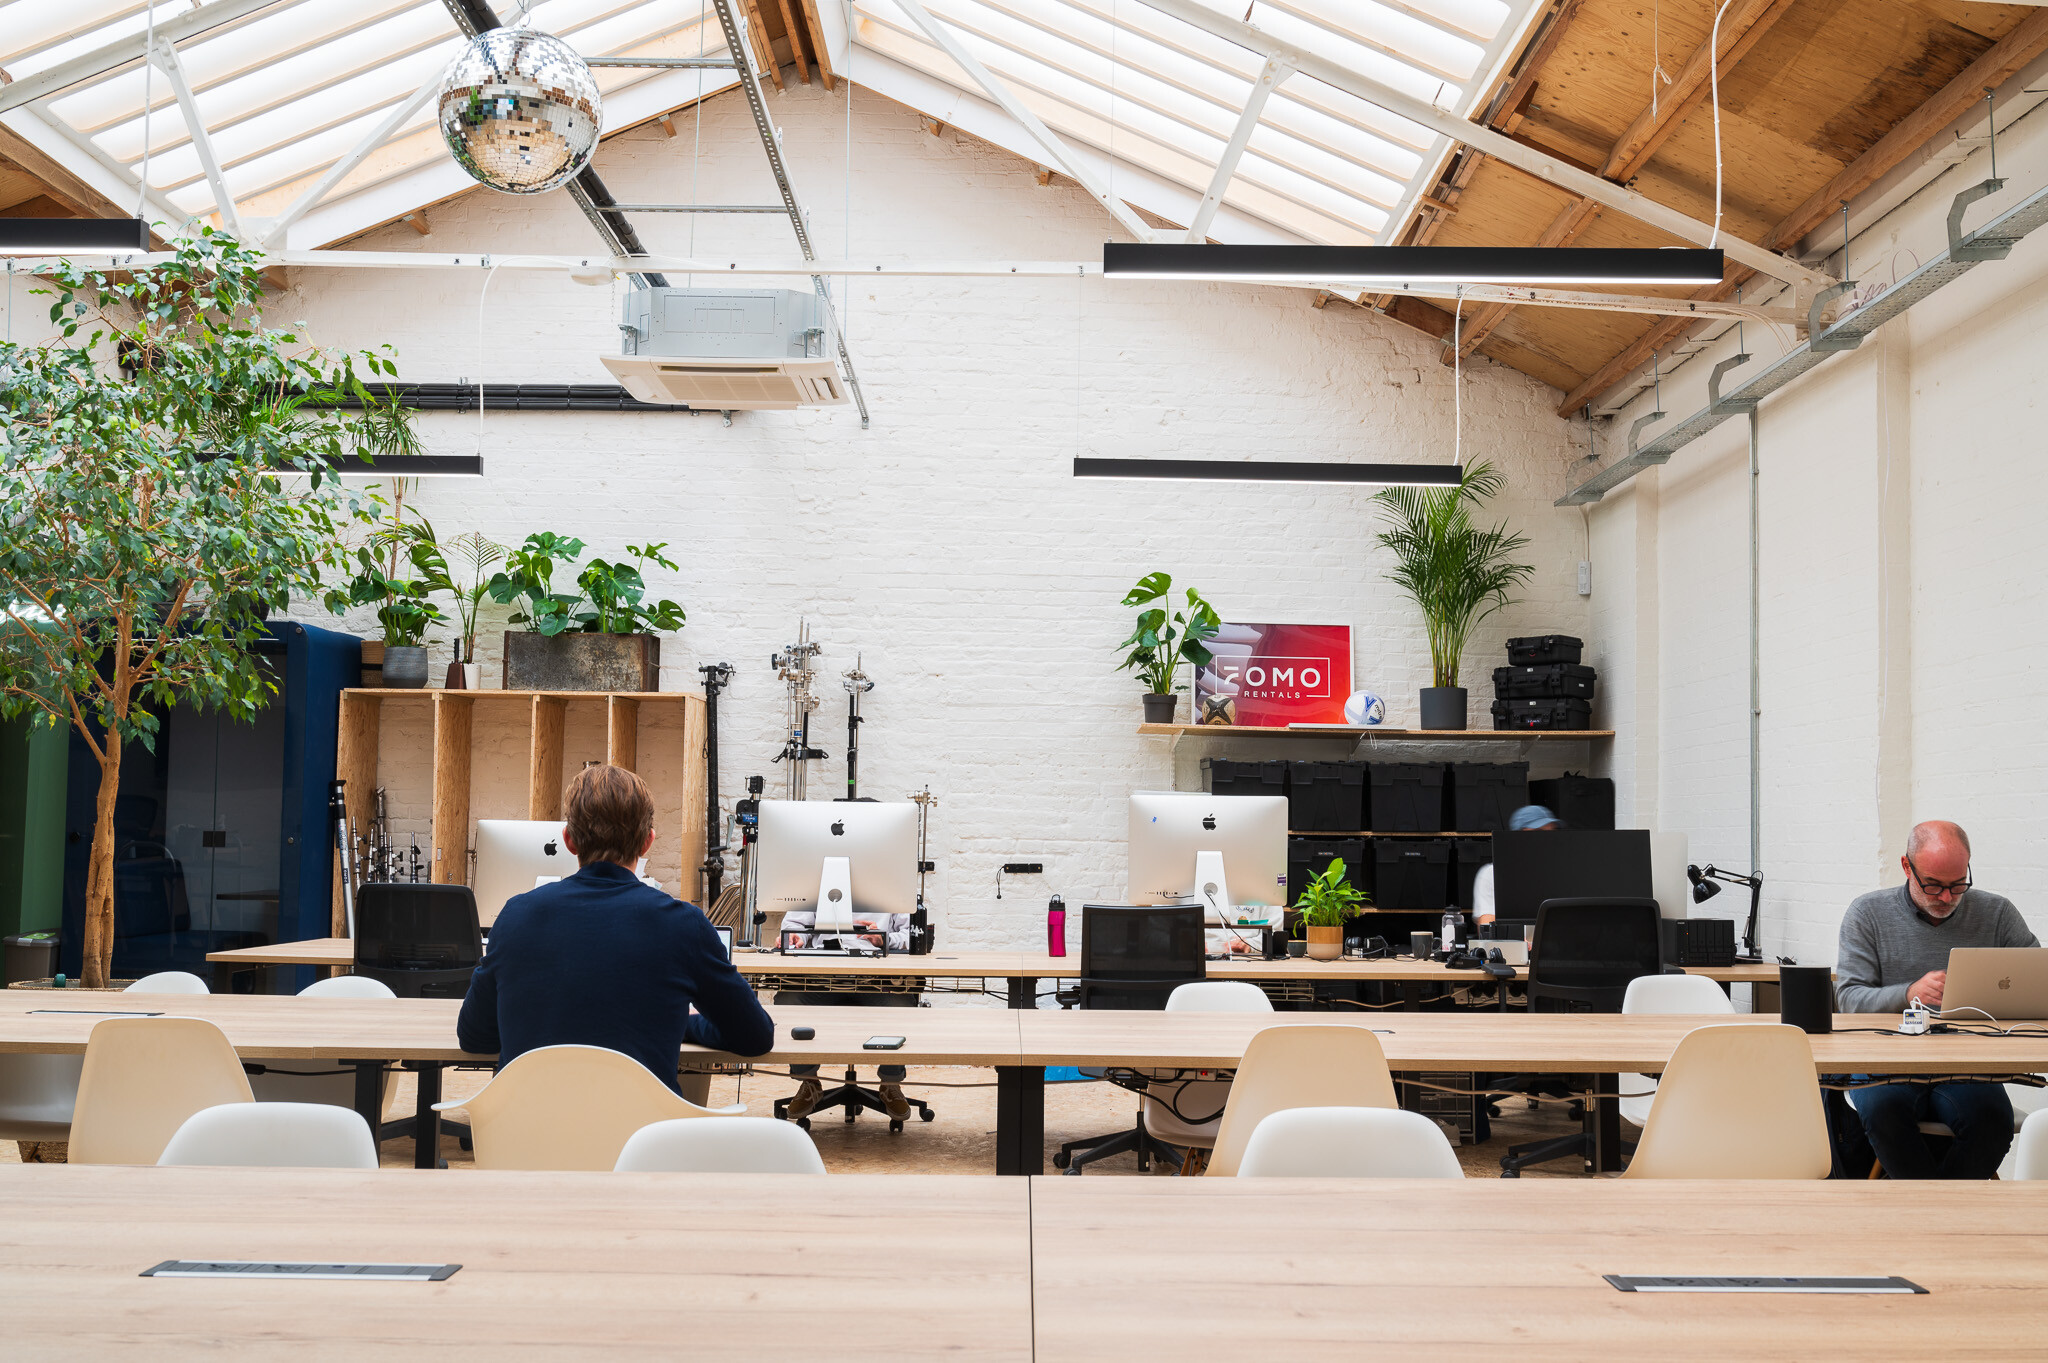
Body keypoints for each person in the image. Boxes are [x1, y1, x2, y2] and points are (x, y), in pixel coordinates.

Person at [457, 764, 774, 1093]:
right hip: (640, 1140)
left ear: (568, 840)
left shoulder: (515, 916)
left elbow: (475, 1036)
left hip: (525, 1138)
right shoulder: (683, 924)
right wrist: (682, 1025)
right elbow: (754, 1036)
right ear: (647, 843)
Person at [1837, 820, 2036, 1179]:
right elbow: (1849, 998)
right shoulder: (1867, 913)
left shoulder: (1997, 913)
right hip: (1886, 1062)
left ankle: (1940, 1210)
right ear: (1905, 866)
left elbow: (2037, 980)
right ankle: (1931, 1213)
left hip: (1967, 1063)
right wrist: (1908, 993)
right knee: (1885, 1114)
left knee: (1991, 1122)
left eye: (1958, 885)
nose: (1946, 897)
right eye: (1933, 885)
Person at [777, 903, 917, 1121]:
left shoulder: (891, 879)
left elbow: (912, 934)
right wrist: (797, 938)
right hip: (822, 977)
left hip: (876, 979)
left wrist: (884, 939)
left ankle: (890, 1083)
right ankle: (809, 1082)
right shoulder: (820, 875)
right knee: (789, 1000)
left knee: (899, 1005)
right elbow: (793, 926)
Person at [1471, 804, 1563, 926]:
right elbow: (1489, 931)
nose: (1547, 839)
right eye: (1539, 832)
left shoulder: (1561, 873)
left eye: (1552, 833)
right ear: (1517, 836)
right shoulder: (1491, 874)